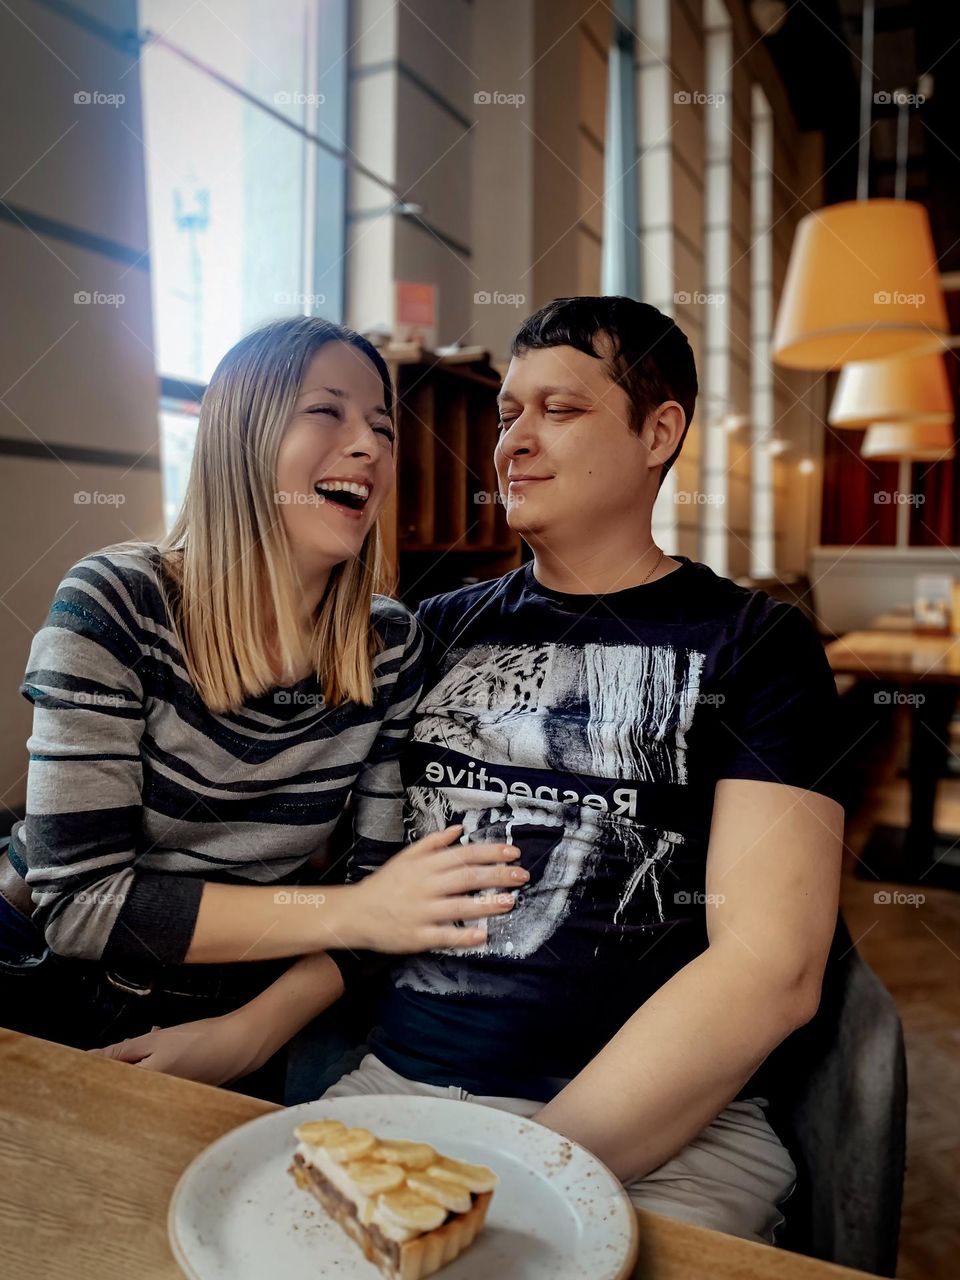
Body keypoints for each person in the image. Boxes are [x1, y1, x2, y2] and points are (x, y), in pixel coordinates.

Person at [96, 297, 844, 1244]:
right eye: (505, 416)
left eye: (559, 412)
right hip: (402, 1091)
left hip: (669, 1135)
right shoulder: (430, 631)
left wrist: (507, 1182)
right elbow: (361, 893)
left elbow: (773, 967)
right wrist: (252, 1029)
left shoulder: (756, 645)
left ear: (660, 432)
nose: (513, 445)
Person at [0, 316, 523, 1091]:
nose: (370, 445)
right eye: (327, 411)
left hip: (240, 1004)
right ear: (240, 437)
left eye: (382, 425)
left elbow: (379, 906)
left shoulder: (390, 648)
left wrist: (251, 1033)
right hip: (41, 980)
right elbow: (77, 903)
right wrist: (355, 910)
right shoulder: (118, 600)